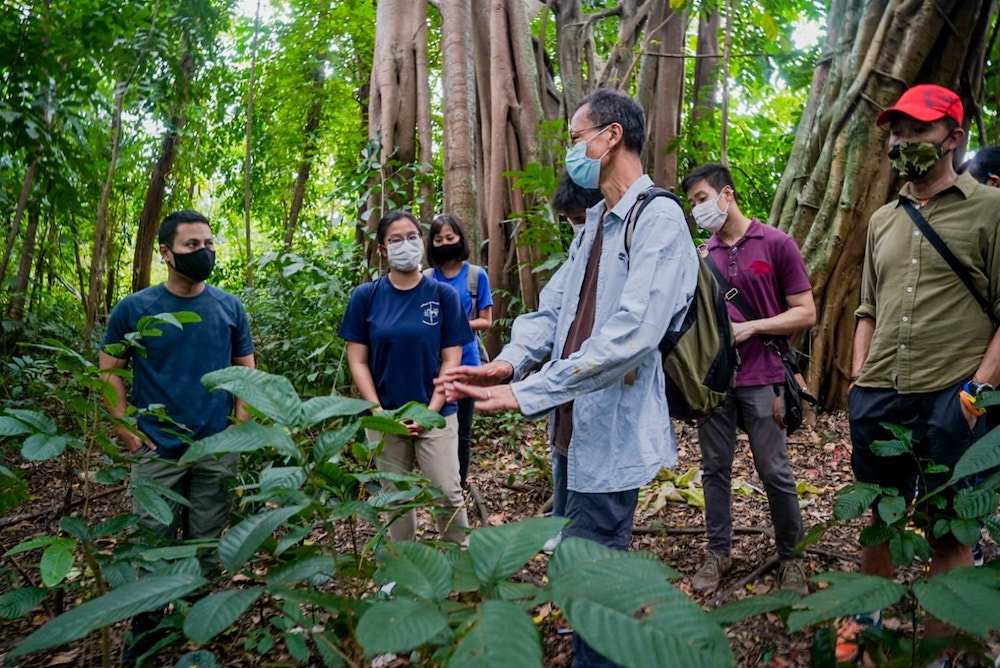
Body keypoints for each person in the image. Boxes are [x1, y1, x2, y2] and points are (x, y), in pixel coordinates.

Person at [440, 88, 698, 668]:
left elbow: (633, 337)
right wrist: (509, 361)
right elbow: (553, 310)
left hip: (608, 430)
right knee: (574, 564)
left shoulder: (659, 219)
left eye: (577, 136)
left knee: (596, 576)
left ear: (611, 138)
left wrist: (527, 391)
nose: (571, 150)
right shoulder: (597, 222)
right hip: (569, 429)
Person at [840, 84, 1000, 664]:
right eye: (898, 131)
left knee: (948, 527)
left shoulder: (991, 208)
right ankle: (865, 620)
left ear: (954, 137)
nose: (903, 142)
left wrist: (978, 388)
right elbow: (867, 306)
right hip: (880, 393)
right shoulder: (884, 218)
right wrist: (859, 377)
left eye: (918, 131)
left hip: (952, 395)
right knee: (878, 515)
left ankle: (936, 652)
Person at [99, 209, 256, 660]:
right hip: (157, 450)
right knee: (153, 545)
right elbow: (109, 371)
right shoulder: (135, 309)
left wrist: (237, 428)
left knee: (207, 545)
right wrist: (127, 431)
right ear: (166, 253)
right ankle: (146, 636)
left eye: (208, 244)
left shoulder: (229, 307)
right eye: (192, 246)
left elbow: (247, 372)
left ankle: (195, 632)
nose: (204, 252)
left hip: (216, 448)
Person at [680, 164, 816, 595]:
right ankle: (718, 552)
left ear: (727, 194)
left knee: (774, 470)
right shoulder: (703, 257)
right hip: (714, 384)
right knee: (714, 469)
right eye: (693, 204)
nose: (698, 210)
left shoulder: (777, 243)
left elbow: (806, 312)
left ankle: (792, 557)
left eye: (702, 199)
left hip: (765, 376)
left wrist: (754, 327)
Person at [339, 210, 473, 545]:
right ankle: (401, 573)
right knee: (395, 499)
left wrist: (429, 413)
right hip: (384, 417)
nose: (406, 245)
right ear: (382, 248)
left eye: (412, 237)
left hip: (438, 415)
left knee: (447, 493)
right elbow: (357, 361)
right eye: (395, 239)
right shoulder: (365, 297)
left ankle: (464, 570)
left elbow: (451, 359)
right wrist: (378, 414)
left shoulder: (444, 296)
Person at [424, 214, 494, 489]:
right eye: (438, 239)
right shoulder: (428, 278)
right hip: (433, 363)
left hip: (466, 362)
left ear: (460, 239)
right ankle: (438, 484)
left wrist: (454, 323)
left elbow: (486, 320)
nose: (444, 243)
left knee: (462, 432)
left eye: (450, 238)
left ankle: (458, 486)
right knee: (435, 423)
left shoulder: (477, 276)